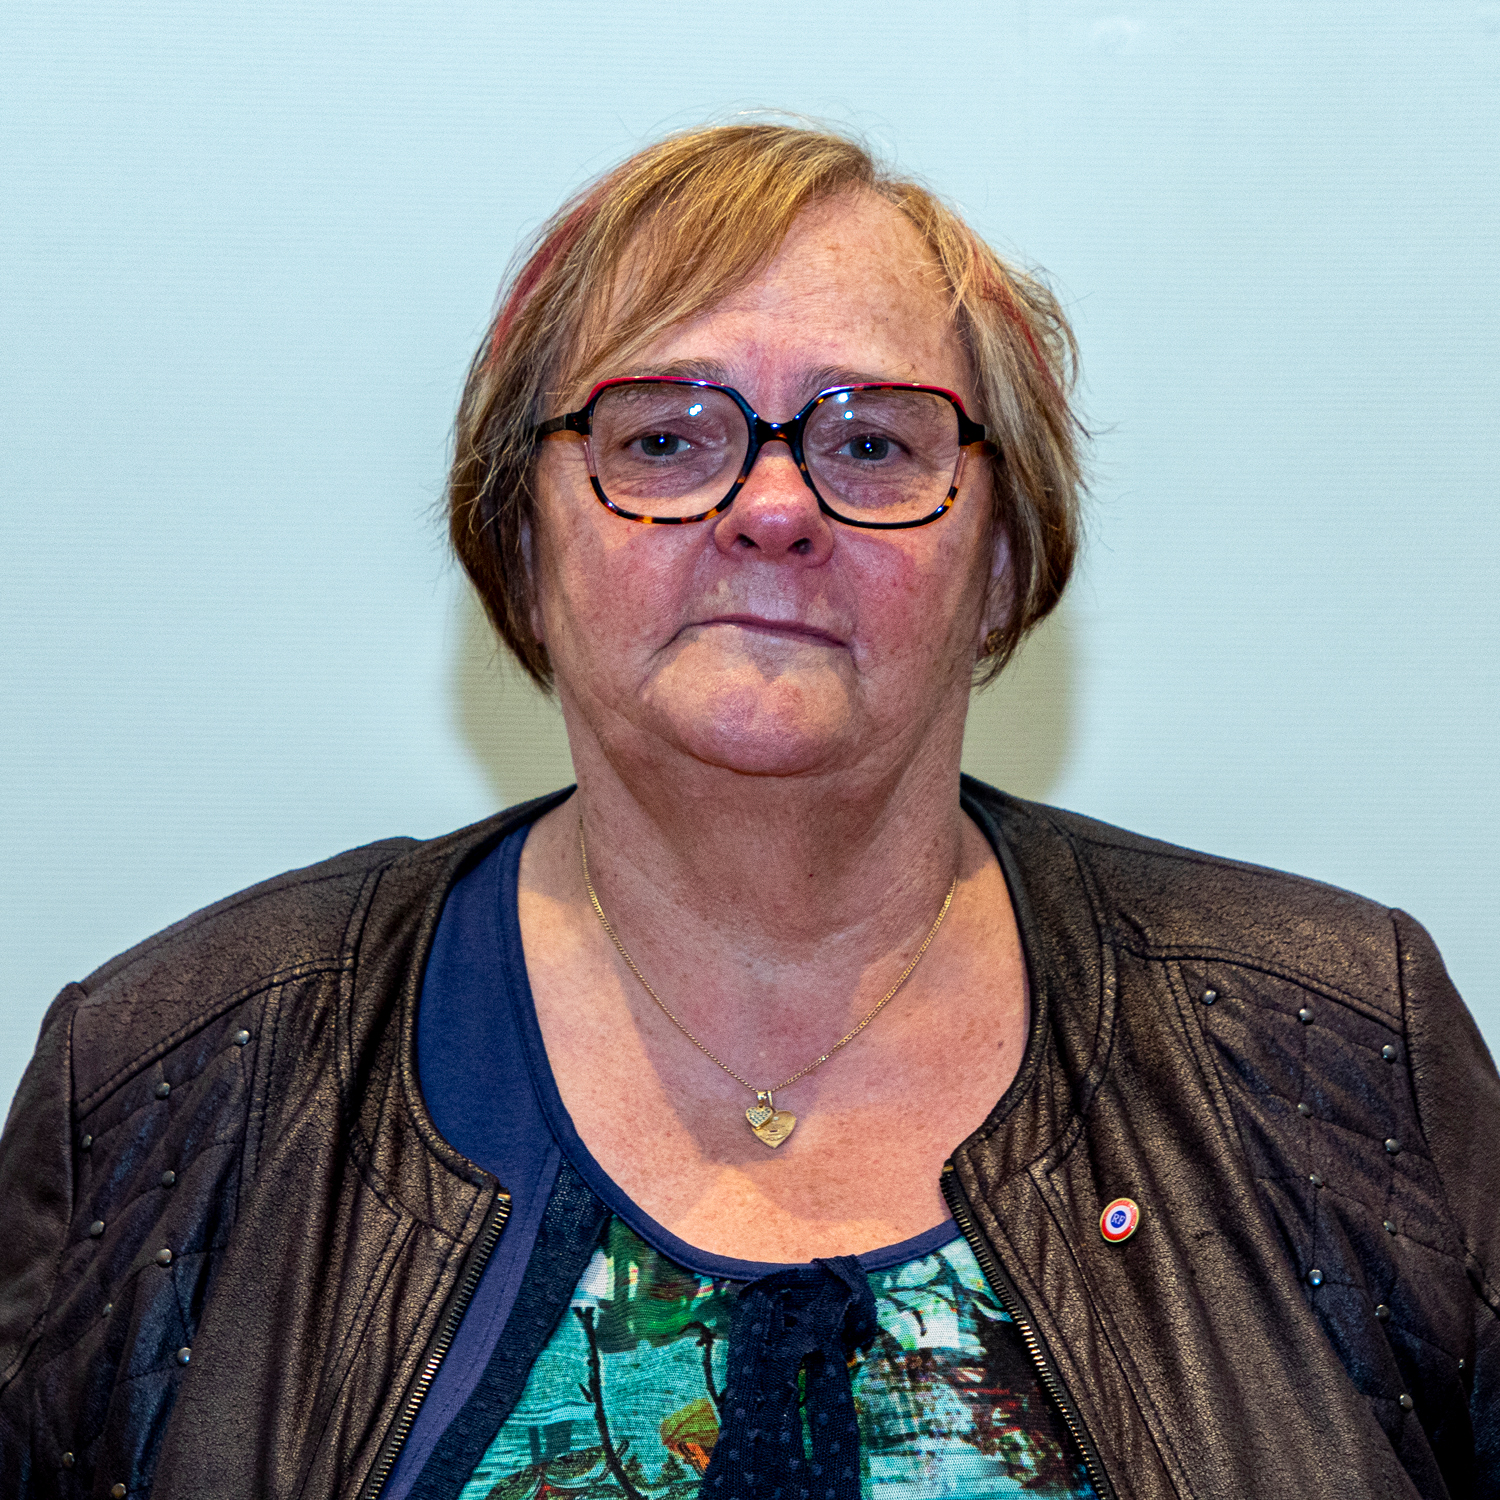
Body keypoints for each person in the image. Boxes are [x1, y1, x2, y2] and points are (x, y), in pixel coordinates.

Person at [0, 123, 1495, 1500]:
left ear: (1003, 561)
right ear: (519, 542)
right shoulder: (173, 1075)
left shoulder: (1337, 1046)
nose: (772, 508)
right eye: (663, 438)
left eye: (871, 441)